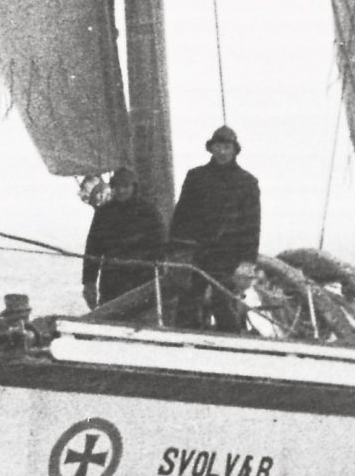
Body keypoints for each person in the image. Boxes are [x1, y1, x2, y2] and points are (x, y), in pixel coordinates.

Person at [168, 125, 261, 332]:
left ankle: (232, 347)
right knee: (187, 306)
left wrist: (247, 262)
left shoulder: (247, 182)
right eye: (218, 146)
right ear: (211, 148)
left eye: (227, 147)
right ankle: (182, 345)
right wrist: (175, 252)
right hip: (196, 255)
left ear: (234, 150)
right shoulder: (196, 177)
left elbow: (252, 225)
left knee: (224, 305)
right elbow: (181, 216)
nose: (222, 151)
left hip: (229, 258)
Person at [81, 169, 165, 315]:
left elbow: (160, 245)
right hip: (112, 279)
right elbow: (93, 248)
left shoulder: (149, 211)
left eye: (125, 186)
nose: (121, 190)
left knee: (143, 316)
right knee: (111, 316)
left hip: (142, 278)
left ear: (133, 187)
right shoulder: (103, 213)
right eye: (117, 186)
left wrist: (161, 276)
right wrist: (89, 282)